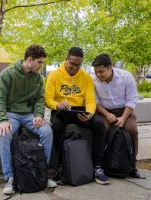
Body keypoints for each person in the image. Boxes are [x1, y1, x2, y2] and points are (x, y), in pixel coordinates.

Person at [0, 45, 57, 195]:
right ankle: (9, 178)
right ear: (29, 60)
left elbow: (39, 99)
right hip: (11, 114)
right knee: (3, 133)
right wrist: (3, 120)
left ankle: (42, 173)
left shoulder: (38, 78)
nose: (41, 66)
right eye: (40, 62)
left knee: (47, 131)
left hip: (29, 115)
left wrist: (39, 115)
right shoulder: (8, 74)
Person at [45, 47, 109, 185]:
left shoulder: (86, 77)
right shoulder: (54, 75)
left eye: (78, 64)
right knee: (56, 126)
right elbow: (48, 99)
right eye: (72, 63)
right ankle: (61, 166)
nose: (75, 67)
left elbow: (91, 100)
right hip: (61, 109)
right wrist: (57, 105)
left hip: (80, 110)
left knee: (99, 125)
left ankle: (97, 166)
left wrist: (90, 114)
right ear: (66, 60)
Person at [92, 53, 143, 178]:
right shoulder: (93, 81)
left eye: (101, 71)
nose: (98, 75)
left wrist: (123, 118)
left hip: (125, 111)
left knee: (131, 130)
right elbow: (95, 102)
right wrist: (107, 114)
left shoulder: (126, 77)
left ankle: (132, 166)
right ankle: (100, 165)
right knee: (102, 129)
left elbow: (132, 99)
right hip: (104, 111)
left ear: (110, 68)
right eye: (96, 72)